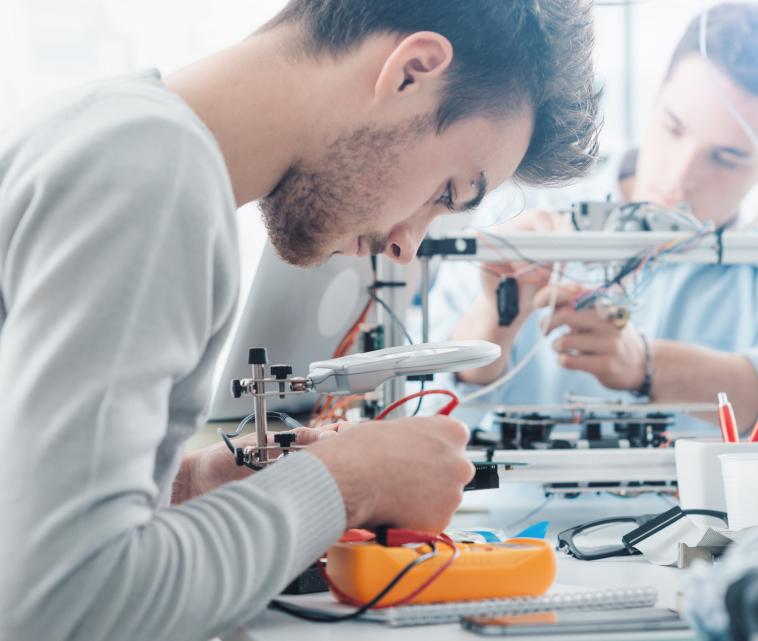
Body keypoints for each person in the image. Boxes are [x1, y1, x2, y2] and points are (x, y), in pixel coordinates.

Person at [0, 2, 601, 640]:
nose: (408, 246)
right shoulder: (153, 179)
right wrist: (347, 484)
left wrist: (192, 486)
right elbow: (63, 606)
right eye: (447, 194)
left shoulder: (110, 129)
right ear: (411, 71)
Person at [433, 2, 758, 438]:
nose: (679, 178)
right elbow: (415, 403)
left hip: (699, 511)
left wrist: (648, 366)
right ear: (658, 97)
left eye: (725, 158)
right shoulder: (521, 211)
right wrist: (496, 318)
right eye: (673, 128)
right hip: (516, 506)